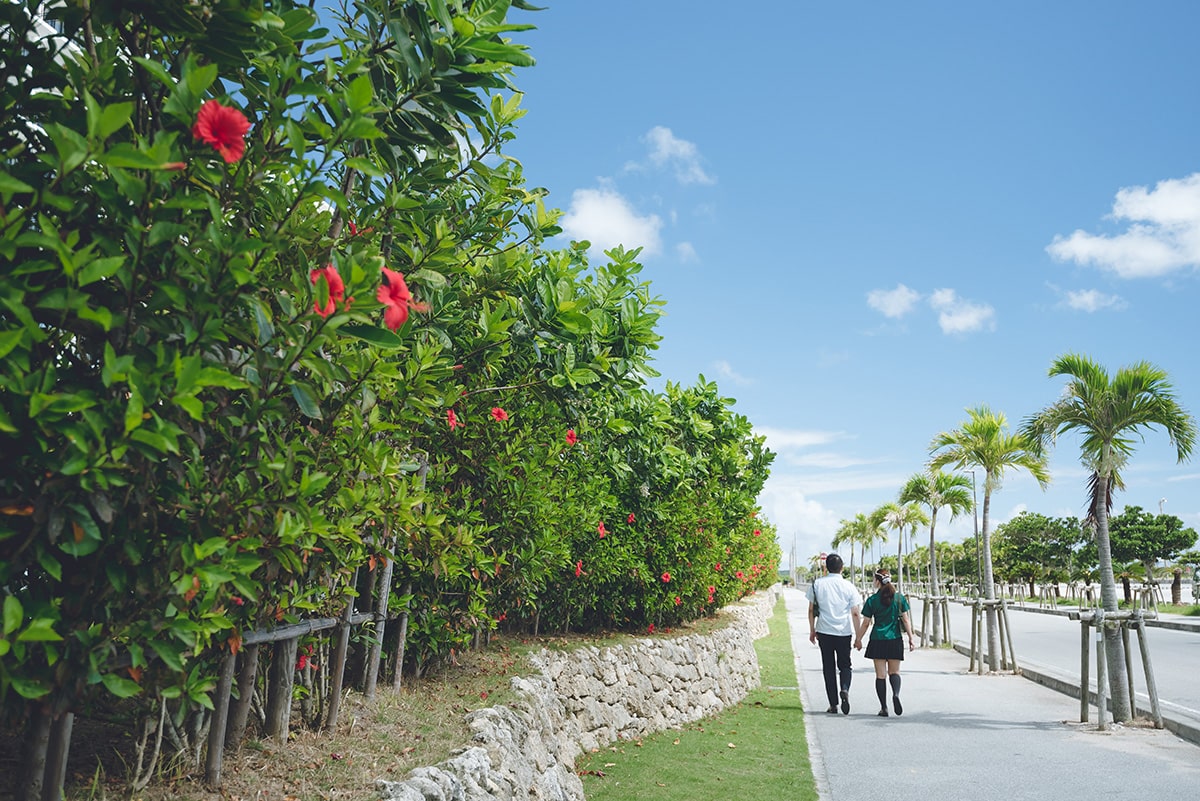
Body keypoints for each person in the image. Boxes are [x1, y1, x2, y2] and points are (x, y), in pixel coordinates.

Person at [854, 568, 915, 717]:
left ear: (877, 581)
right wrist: (911, 638)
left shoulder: (872, 600)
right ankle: (895, 693)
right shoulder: (900, 598)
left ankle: (884, 708)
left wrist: (858, 639)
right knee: (894, 672)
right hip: (895, 639)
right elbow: (905, 619)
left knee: (880, 675)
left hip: (878, 639)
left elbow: (866, 623)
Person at [807, 553, 863, 714]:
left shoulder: (817, 584)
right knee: (845, 665)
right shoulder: (849, 586)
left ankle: (833, 704)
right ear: (842, 568)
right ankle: (844, 688)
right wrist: (858, 637)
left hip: (824, 630)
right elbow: (855, 613)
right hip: (843, 631)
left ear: (826, 568)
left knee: (828, 667)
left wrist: (812, 630)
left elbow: (811, 609)